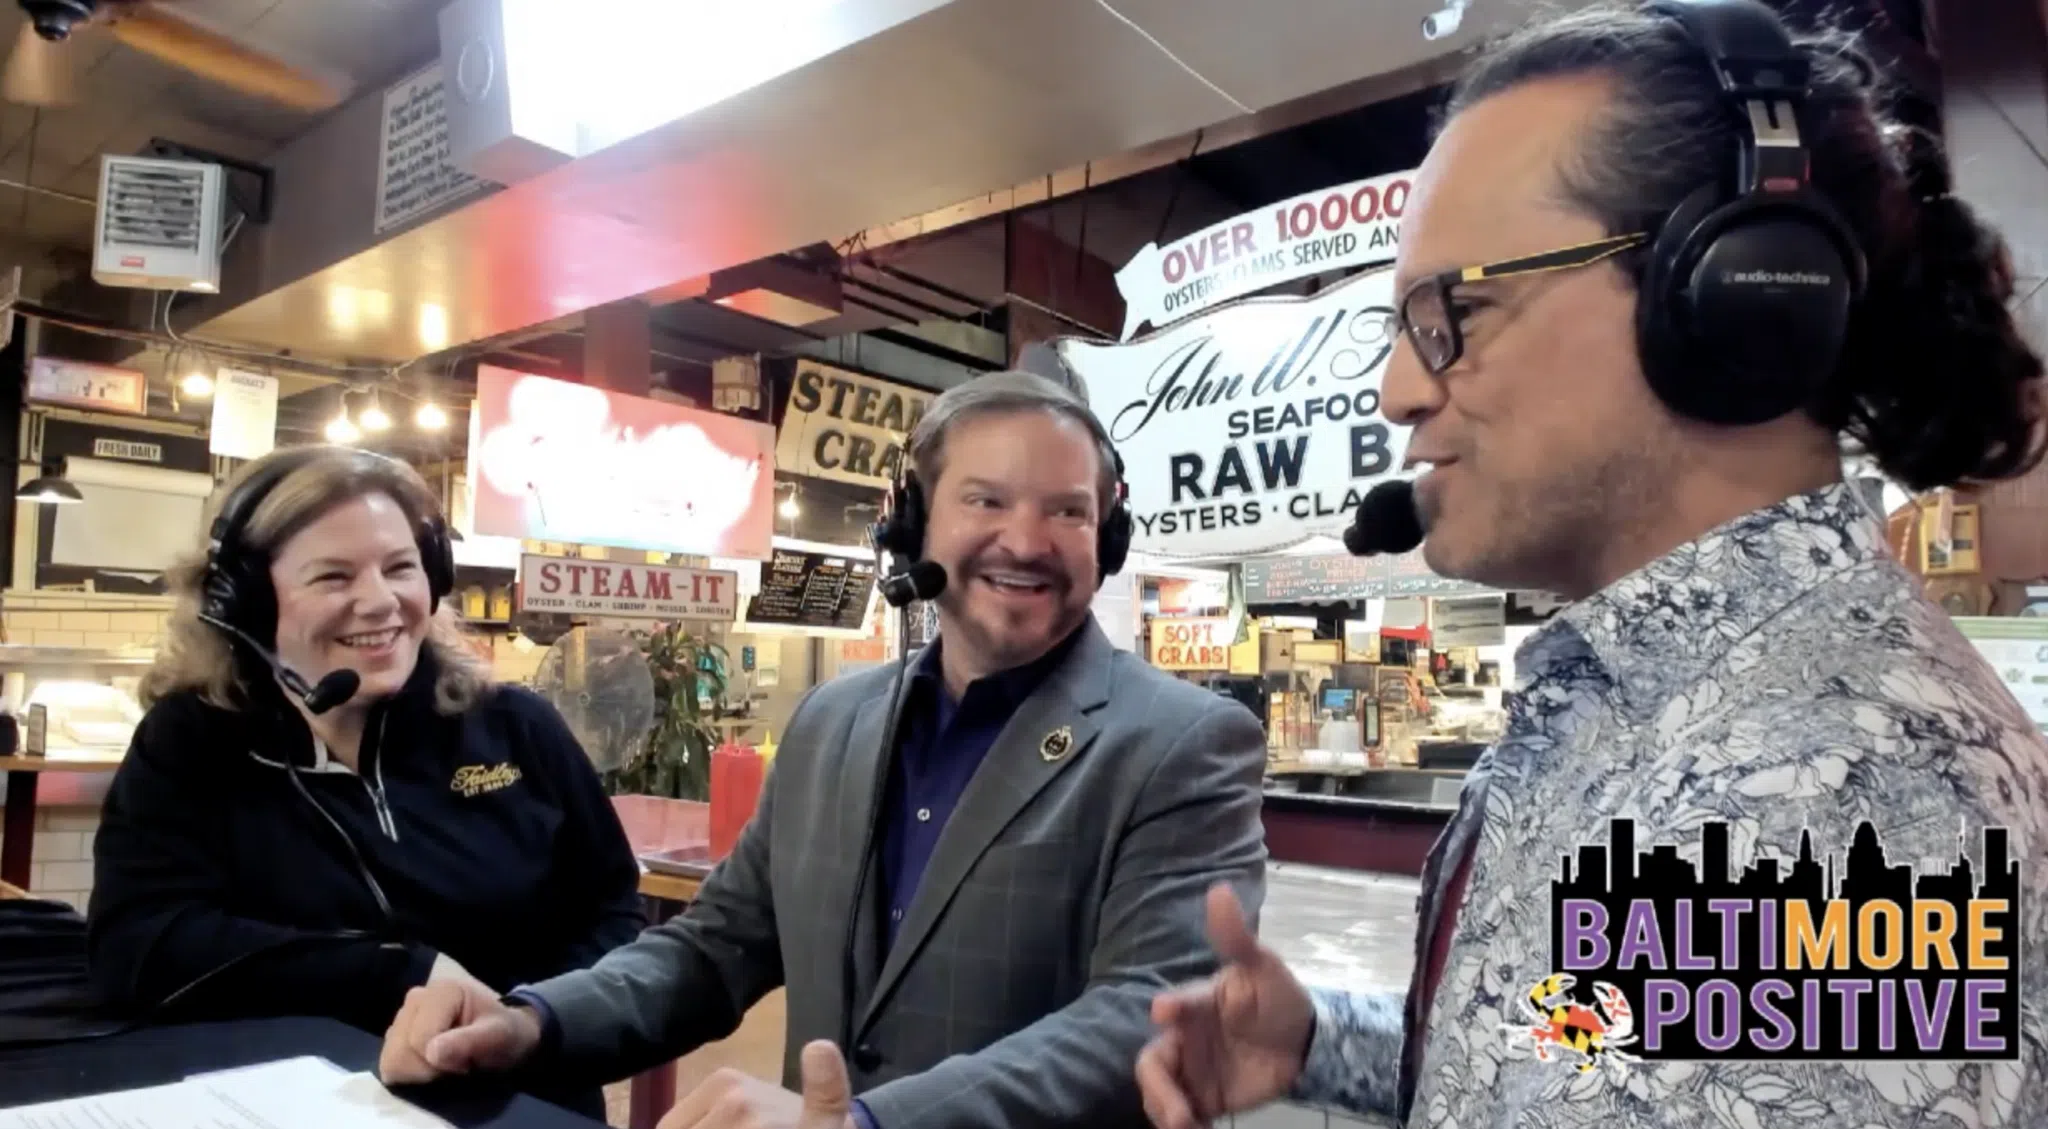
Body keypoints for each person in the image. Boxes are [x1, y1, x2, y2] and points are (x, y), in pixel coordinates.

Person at [1137, 2, 2048, 1127]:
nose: (1397, 390)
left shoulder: (1826, 805)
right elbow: (1593, 1036)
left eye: (1457, 310)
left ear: (1730, 299)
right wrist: (1328, 1042)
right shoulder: (1676, 709)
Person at [380, 370, 1270, 1129]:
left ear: (1107, 536)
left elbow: (1146, 1016)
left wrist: (867, 1122)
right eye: (986, 500)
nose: (1028, 540)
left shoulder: (1185, 742)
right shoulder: (830, 721)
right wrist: (533, 1019)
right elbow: (713, 947)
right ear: (912, 522)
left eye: (1068, 510)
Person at [88, 445, 645, 1043]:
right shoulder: (190, 743)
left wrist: (526, 1023)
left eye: (400, 567)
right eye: (334, 576)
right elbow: (139, 947)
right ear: (242, 602)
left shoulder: (516, 727)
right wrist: (396, 976)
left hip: (520, 1084)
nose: (380, 601)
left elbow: (613, 912)